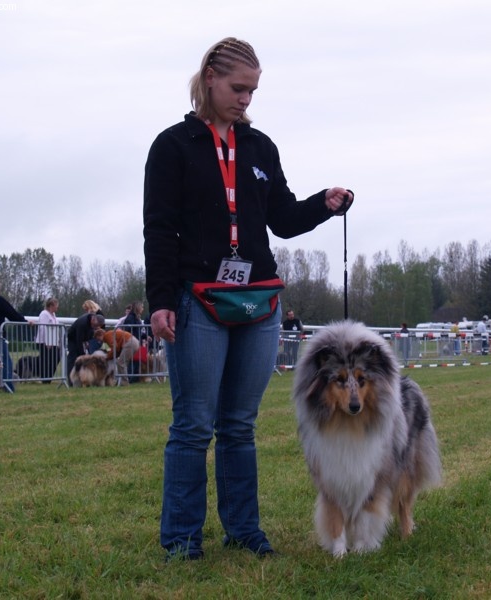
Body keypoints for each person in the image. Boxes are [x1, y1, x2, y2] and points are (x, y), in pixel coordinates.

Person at [143, 36, 354, 561]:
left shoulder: (261, 148)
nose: (245, 100)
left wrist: (322, 206)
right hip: (198, 302)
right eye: (238, 88)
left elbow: (280, 219)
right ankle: (182, 540)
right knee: (193, 427)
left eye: (253, 92)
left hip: (259, 303)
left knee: (240, 425)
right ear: (209, 77)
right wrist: (161, 300)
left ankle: (244, 530)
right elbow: (159, 229)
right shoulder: (172, 147)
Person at [66, 311, 105, 383]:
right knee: (73, 358)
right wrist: (82, 354)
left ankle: (81, 379)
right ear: (93, 320)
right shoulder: (82, 323)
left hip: (81, 340)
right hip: (73, 339)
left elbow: (88, 333)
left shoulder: (92, 321)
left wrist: (86, 341)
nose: (96, 328)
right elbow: (78, 340)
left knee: (82, 360)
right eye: (95, 325)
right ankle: (71, 381)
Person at [36, 297, 62, 383]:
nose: (57, 307)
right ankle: (45, 379)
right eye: (56, 305)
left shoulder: (53, 315)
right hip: (44, 342)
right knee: (46, 360)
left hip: (53, 341)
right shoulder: (44, 314)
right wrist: (47, 341)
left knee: (56, 358)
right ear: (51, 305)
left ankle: (48, 377)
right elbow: (42, 328)